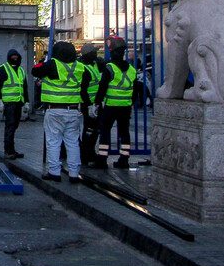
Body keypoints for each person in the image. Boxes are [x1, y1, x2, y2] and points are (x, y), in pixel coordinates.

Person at [31, 41, 92, 183]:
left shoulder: (52, 65)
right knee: (73, 142)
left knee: (53, 142)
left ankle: (54, 172)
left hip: (54, 110)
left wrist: (46, 61)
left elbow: (35, 70)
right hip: (74, 110)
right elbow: (85, 84)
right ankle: (74, 173)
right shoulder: (81, 67)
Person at [96, 36, 142, 169]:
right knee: (124, 132)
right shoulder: (131, 69)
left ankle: (102, 159)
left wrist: (97, 102)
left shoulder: (109, 68)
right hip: (125, 107)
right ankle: (124, 159)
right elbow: (135, 89)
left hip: (111, 106)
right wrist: (131, 102)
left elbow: (102, 87)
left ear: (112, 51)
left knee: (105, 131)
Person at [0, 49, 27, 159]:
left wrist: (26, 102)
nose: (15, 58)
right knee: (10, 126)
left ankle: (11, 150)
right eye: (13, 56)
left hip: (18, 102)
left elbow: (24, 87)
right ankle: (8, 151)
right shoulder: (3, 69)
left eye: (16, 56)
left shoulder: (21, 70)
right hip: (8, 103)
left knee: (14, 126)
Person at [78, 43, 105, 168]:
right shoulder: (83, 68)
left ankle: (90, 152)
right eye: (93, 52)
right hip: (88, 105)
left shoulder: (94, 65)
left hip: (96, 104)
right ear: (88, 54)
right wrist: (89, 105)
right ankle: (86, 154)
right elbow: (82, 90)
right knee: (89, 130)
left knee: (95, 130)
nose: (96, 54)